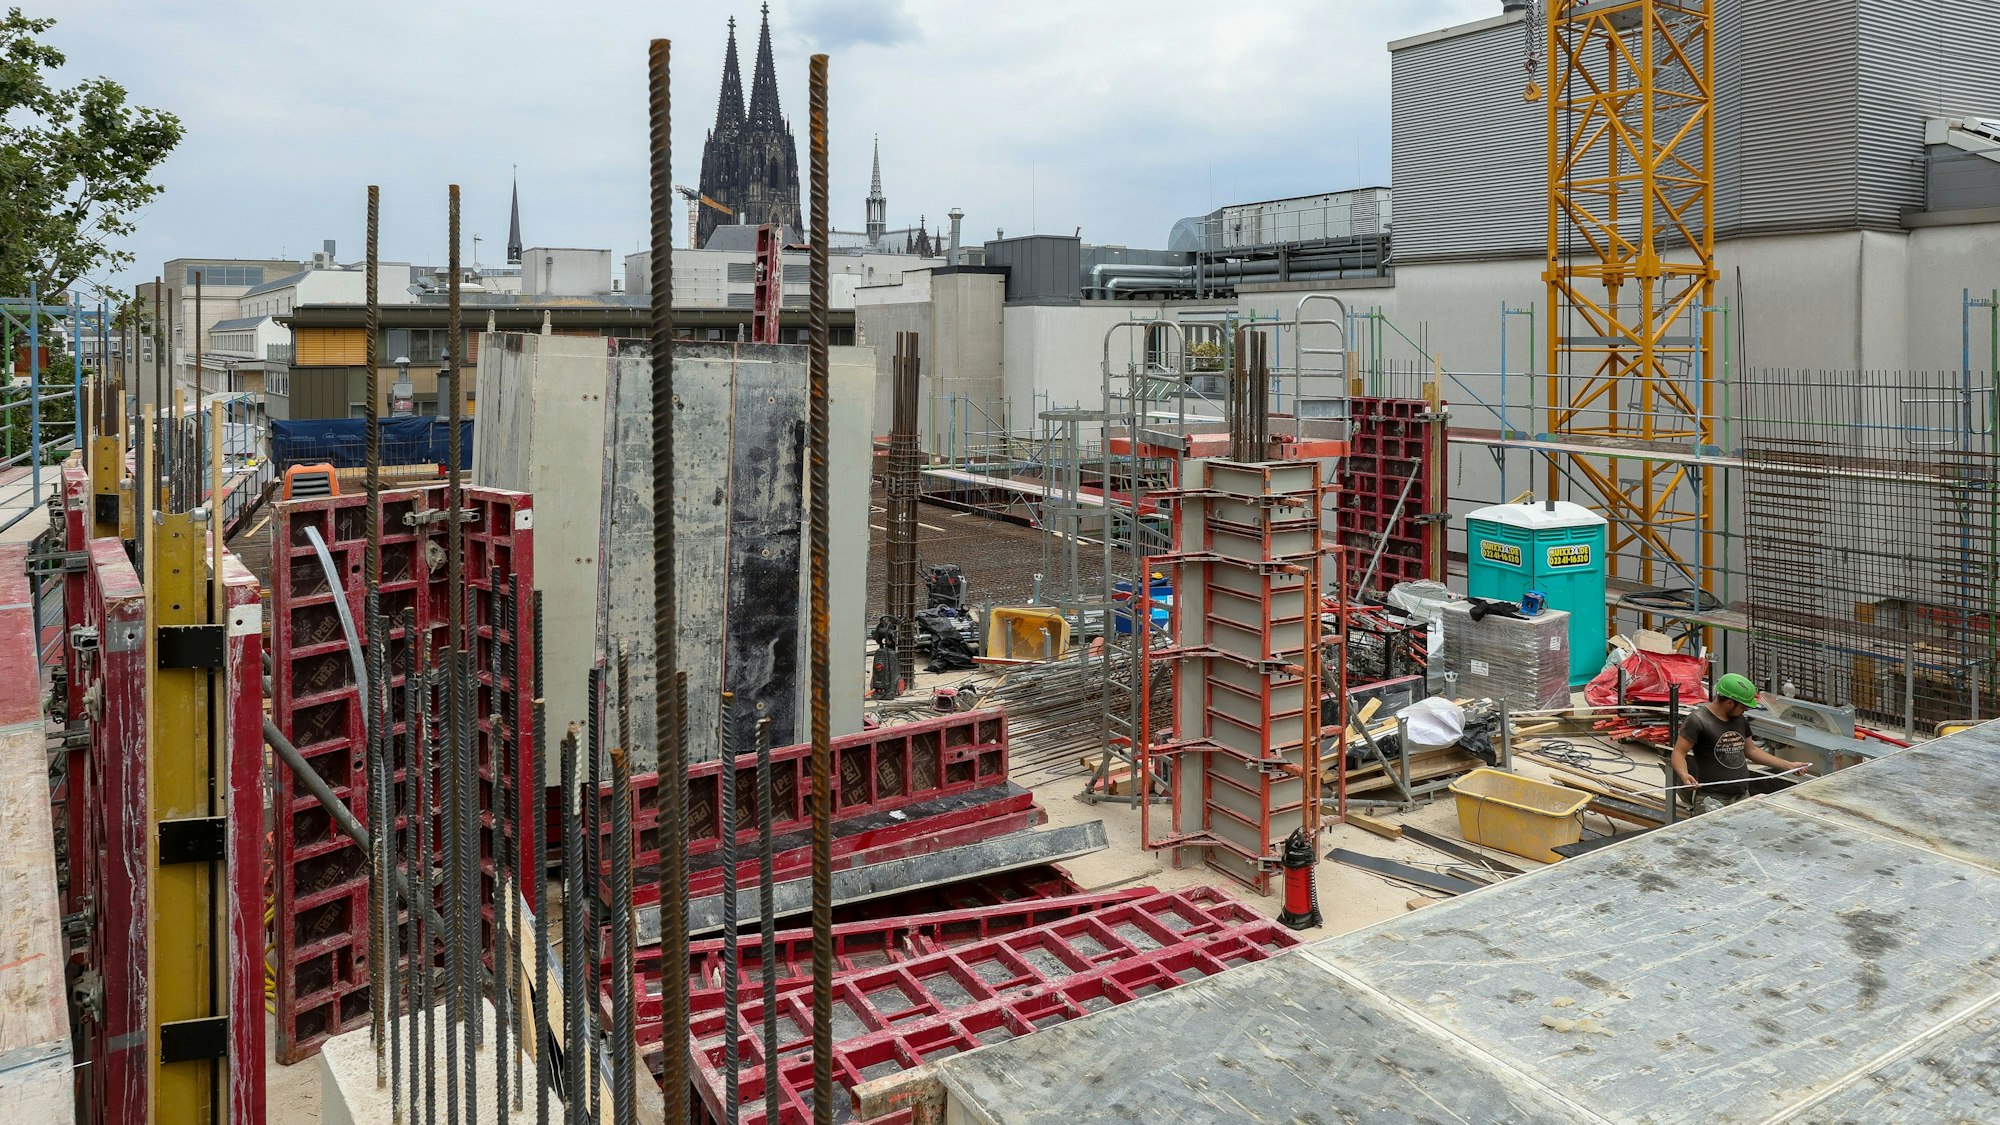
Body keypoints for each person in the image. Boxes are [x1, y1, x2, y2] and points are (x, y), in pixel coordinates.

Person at [1669, 672, 1814, 814]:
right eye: (1743, 706)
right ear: (1729, 703)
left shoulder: (1739, 719)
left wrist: (1789, 766)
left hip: (1741, 794)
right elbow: (1678, 753)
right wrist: (1684, 774)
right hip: (1712, 798)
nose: (1745, 710)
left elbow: (1752, 751)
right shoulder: (1698, 721)